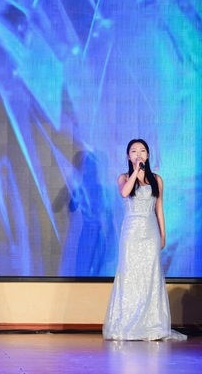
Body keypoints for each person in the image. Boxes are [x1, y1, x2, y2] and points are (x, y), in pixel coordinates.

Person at [102, 139, 186, 341]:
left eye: (142, 151)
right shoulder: (124, 177)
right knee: (130, 275)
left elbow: (159, 209)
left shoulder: (156, 179)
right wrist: (135, 172)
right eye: (134, 151)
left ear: (148, 155)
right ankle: (126, 325)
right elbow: (125, 193)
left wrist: (163, 235)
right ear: (128, 156)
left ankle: (151, 325)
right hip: (131, 232)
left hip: (150, 232)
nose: (138, 154)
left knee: (151, 276)